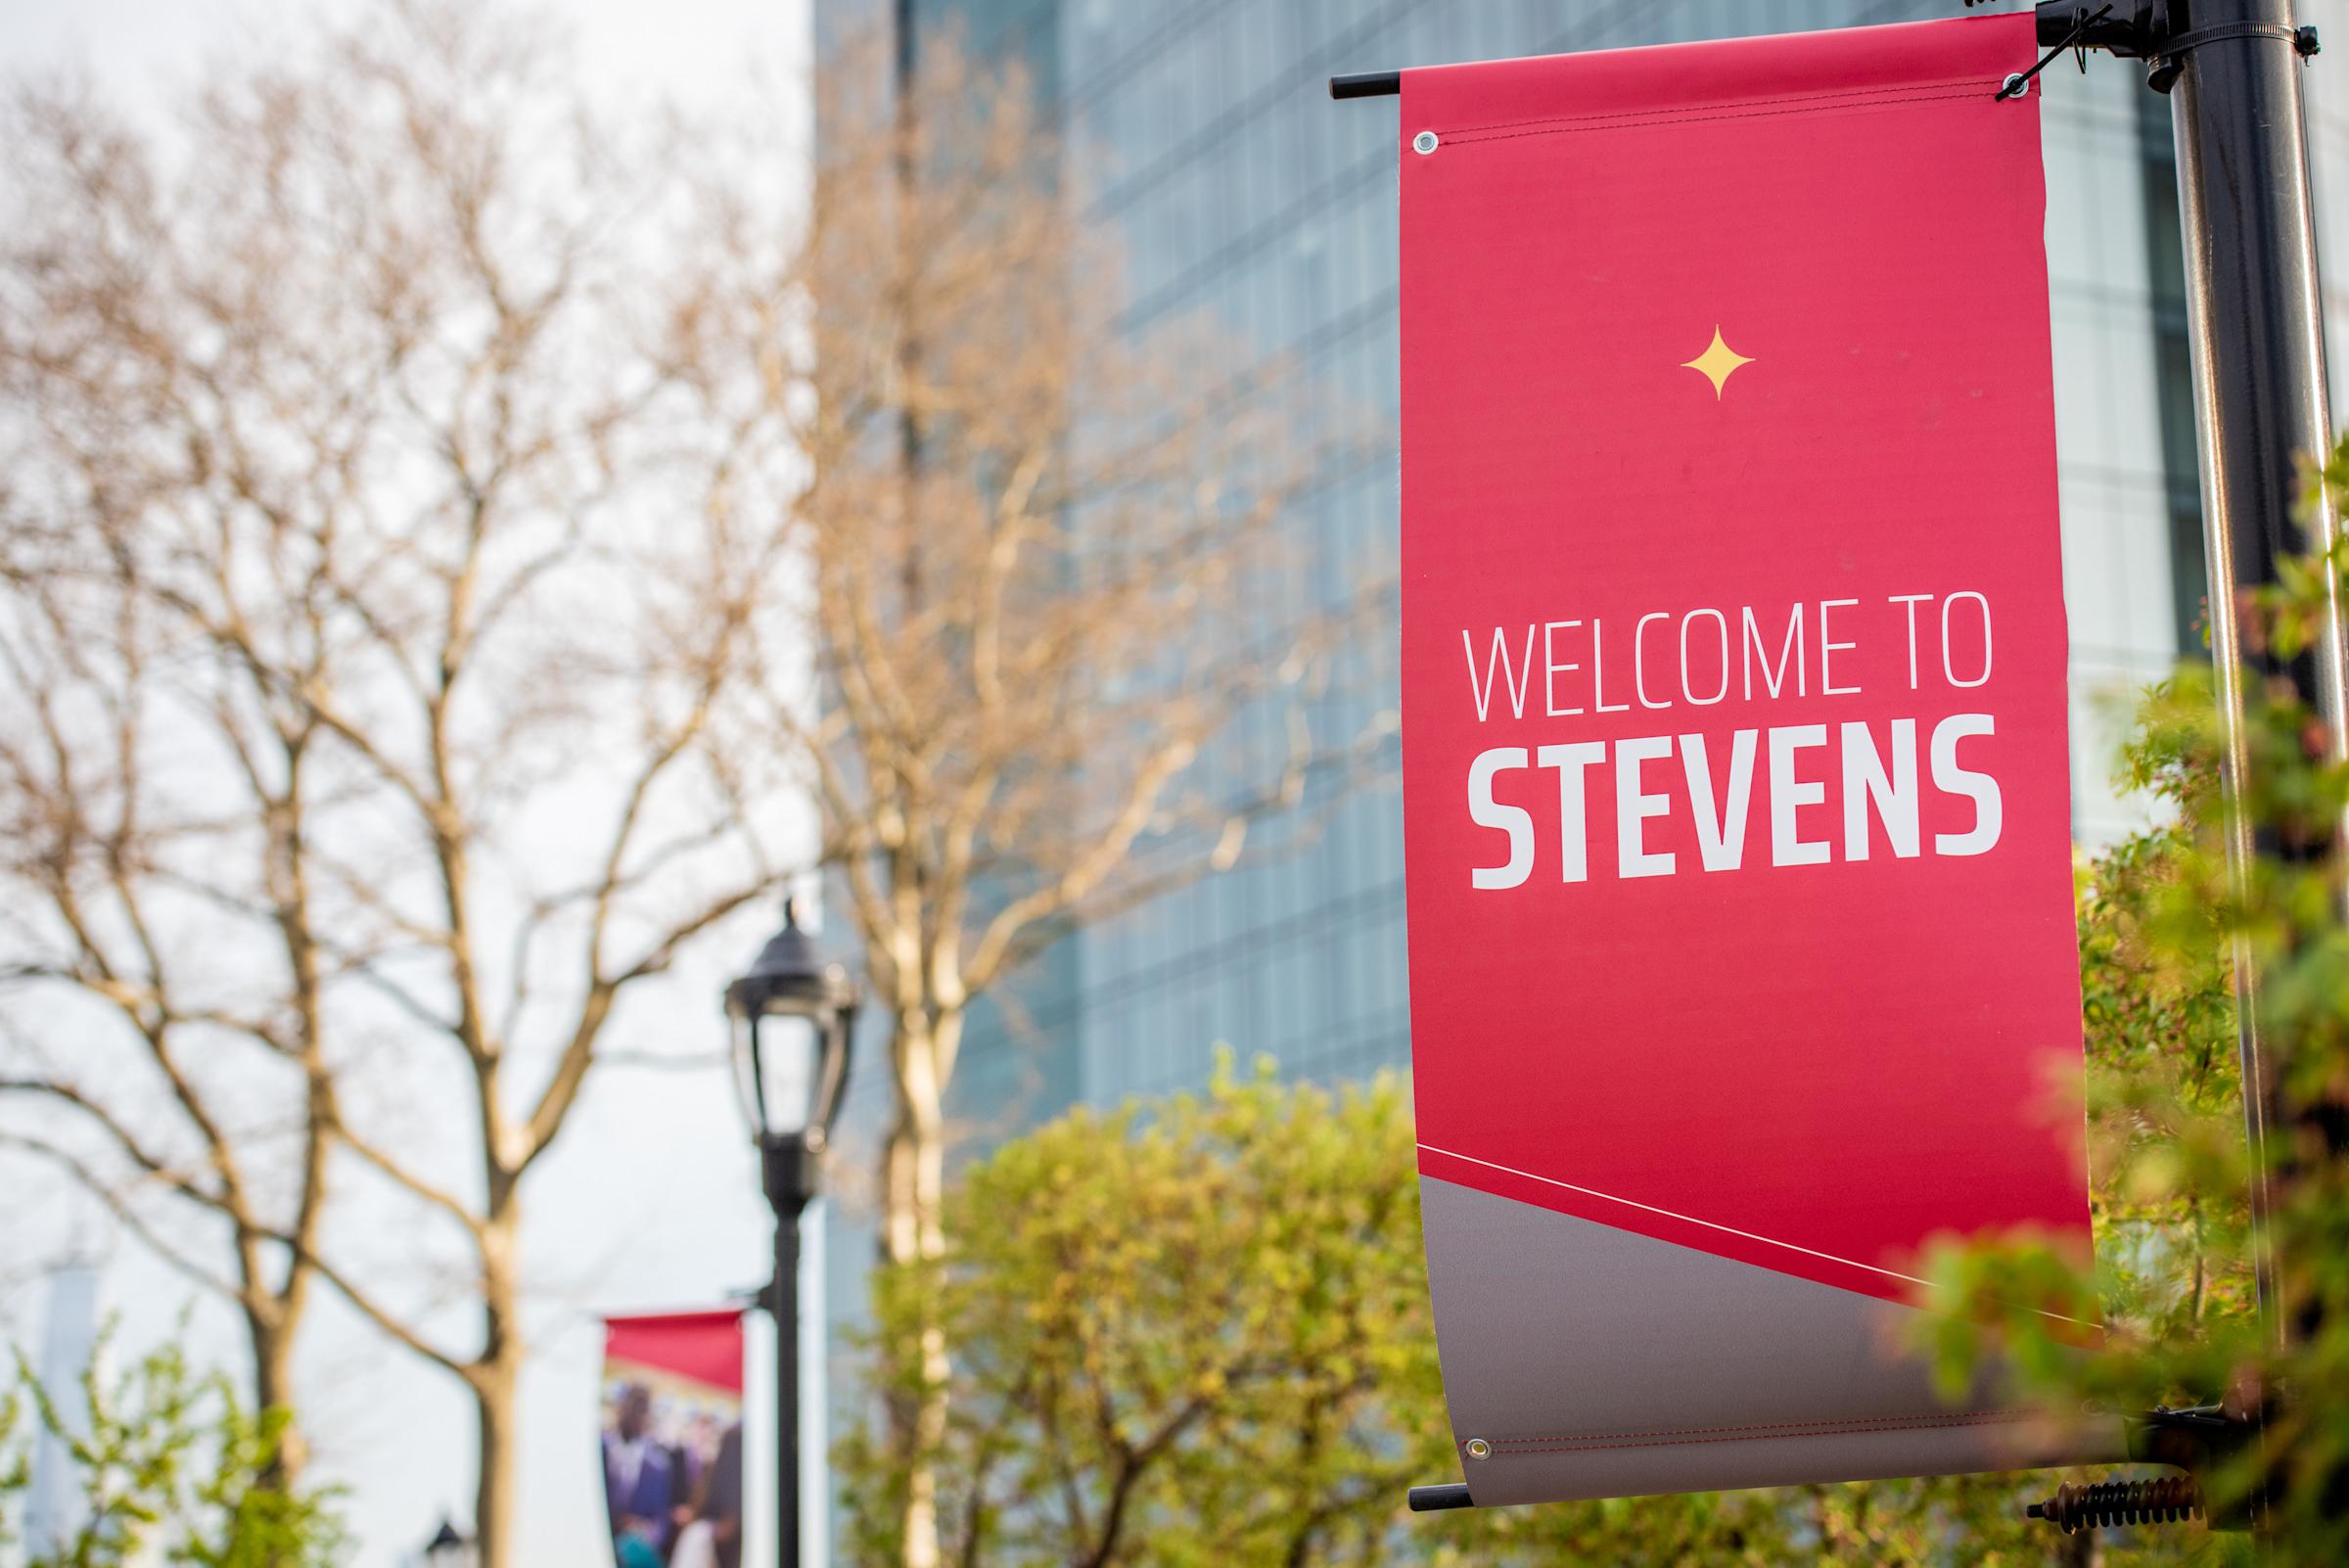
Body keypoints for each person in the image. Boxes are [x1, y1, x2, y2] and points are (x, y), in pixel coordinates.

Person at [602, 1384, 676, 1560]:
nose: (634, 1415)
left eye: (641, 1409)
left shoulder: (658, 1465)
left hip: (630, 1551)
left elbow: (661, 1521)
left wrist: (642, 1529)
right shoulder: (601, 1449)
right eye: (631, 1405)